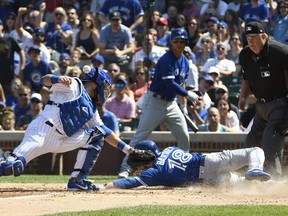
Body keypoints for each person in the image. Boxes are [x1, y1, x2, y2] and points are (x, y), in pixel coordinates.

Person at [0, 65, 149, 191]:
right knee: (13, 165)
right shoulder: (74, 84)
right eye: (105, 86)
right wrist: (57, 79)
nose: (106, 91)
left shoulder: (92, 109)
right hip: (43, 130)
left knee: (97, 135)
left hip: (62, 140)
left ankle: (77, 181)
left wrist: (129, 150)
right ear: (96, 83)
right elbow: (44, 80)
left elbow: (106, 132)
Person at [118, 28, 200, 179]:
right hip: (155, 102)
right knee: (140, 136)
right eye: (176, 41)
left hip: (172, 104)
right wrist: (188, 94)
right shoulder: (166, 59)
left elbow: (180, 84)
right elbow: (170, 84)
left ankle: (184, 171)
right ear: (171, 42)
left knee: (183, 137)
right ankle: (125, 167)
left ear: (186, 43)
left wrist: (183, 106)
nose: (179, 44)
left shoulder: (185, 63)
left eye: (182, 41)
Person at [96, 140, 271, 189]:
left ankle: (258, 174)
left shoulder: (154, 173)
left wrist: (105, 185)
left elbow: (129, 182)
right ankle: (256, 169)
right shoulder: (169, 149)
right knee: (255, 151)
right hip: (210, 161)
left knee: (245, 184)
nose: (138, 166)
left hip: (208, 181)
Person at [238, 21, 288, 178]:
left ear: (264, 36)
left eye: (254, 37)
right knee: (251, 142)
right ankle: (245, 175)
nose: (250, 41)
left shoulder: (280, 51)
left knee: (270, 138)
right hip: (261, 106)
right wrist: (243, 97)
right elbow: (246, 77)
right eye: (248, 38)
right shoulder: (245, 54)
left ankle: (274, 182)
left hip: (281, 103)